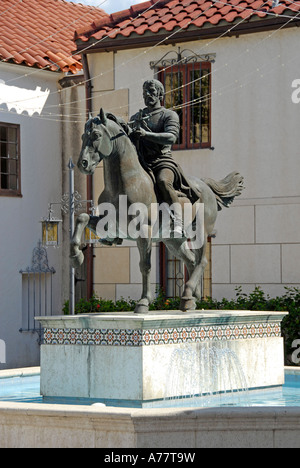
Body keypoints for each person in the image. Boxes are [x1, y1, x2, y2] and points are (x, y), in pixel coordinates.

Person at [129, 79, 201, 236]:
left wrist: (146, 134)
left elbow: (171, 137)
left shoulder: (168, 115)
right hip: (141, 161)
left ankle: (178, 220)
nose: (147, 95)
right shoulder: (136, 117)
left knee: (163, 181)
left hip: (162, 161)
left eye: (151, 92)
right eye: (144, 93)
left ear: (160, 94)